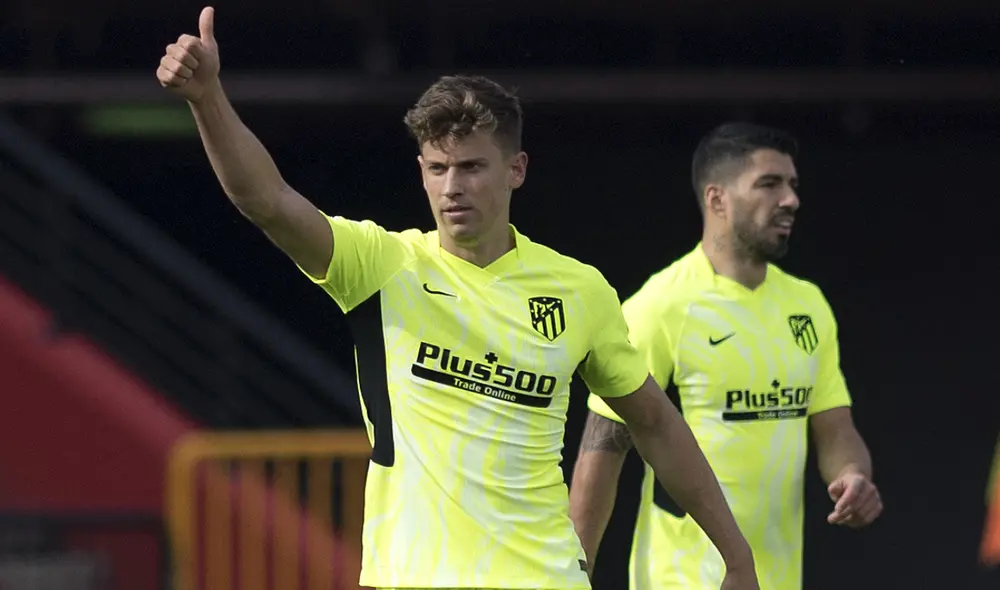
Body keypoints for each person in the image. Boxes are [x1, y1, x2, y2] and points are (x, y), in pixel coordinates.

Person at [156, 7, 760, 590]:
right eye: (437, 168)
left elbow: (653, 422)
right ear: (420, 170)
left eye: (471, 167)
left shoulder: (578, 289)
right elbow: (266, 201)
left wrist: (736, 556)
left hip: (540, 579)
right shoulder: (381, 265)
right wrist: (207, 98)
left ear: (516, 169)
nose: (452, 187)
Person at [569, 122, 883, 590]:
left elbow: (835, 428)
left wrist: (853, 474)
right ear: (717, 199)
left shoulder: (808, 305)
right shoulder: (661, 306)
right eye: (769, 184)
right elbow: (602, 451)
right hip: (683, 580)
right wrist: (573, 575)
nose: (791, 199)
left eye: (792, 184)